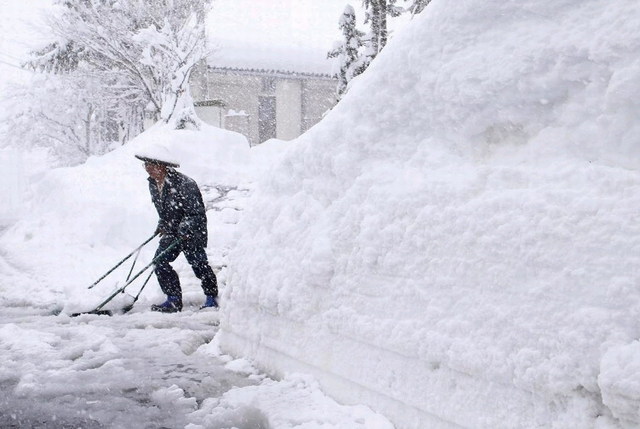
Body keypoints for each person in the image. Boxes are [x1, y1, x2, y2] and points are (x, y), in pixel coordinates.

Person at [135, 149, 218, 313]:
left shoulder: (185, 184)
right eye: (146, 165)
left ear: (163, 166)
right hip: (172, 231)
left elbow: (196, 212)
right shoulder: (153, 183)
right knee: (160, 262)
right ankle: (173, 300)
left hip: (192, 231)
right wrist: (162, 223)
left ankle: (212, 298)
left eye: (151, 165)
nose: (148, 169)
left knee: (199, 264)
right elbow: (165, 209)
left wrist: (185, 228)